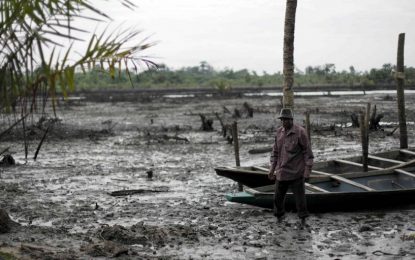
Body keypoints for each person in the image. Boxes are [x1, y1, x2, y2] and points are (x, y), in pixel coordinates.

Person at [268, 108, 314, 226]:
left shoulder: (300, 132)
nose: (284, 122)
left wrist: (307, 172)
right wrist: (272, 170)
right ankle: (279, 218)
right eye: (282, 120)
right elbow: (275, 153)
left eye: (286, 119)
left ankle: (303, 221)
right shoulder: (279, 132)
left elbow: (307, 153)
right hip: (281, 172)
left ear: (291, 120)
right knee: (277, 199)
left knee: (300, 201)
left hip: (296, 172)